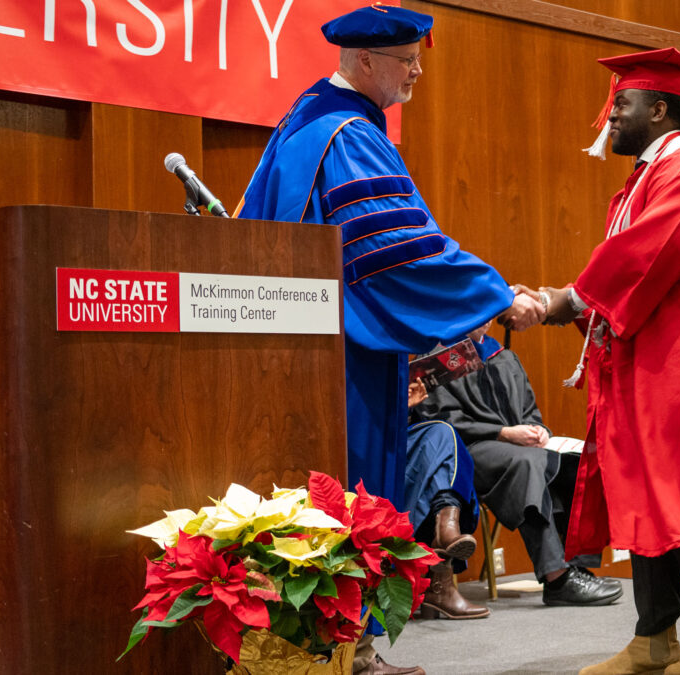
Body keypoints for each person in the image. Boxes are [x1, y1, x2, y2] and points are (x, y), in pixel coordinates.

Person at [235, 5, 544, 674]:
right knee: (350, 493)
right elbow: (397, 253)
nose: (418, 71)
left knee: (327, 497)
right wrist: (496, 293)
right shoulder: (346, 133)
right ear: (364, 60)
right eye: (408, 61)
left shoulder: (305, 122)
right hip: (345, 353)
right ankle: (350, 651)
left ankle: (341, 649)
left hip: (303, 344)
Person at [528, 47, 680, 675]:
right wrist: (560, 300)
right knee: (645, 491)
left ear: (660, 110)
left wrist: (561, 300)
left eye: (621, 105)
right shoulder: (644, 179)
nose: (609, 119)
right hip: (648, 356)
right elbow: (627, 271)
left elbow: (642, 257)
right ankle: (654, 635)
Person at [413, 322, 624, 607]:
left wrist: (538, 431)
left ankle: (576, 566)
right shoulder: (441, 360)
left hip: (519, 449)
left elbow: (529, 412)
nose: (486, 319)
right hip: (468, 451)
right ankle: (557, 577)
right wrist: (503, 433)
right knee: (528, 464)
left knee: (578, 464)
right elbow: (442, 420)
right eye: (480, 311)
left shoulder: (504, 356)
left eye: (490, 312)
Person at [403, 379, 490, 621]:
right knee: (444, 439)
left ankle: (446, 525)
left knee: (442, 439)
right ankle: (440, 585)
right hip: (376, 450)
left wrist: (407, 405)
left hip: (406, 443)